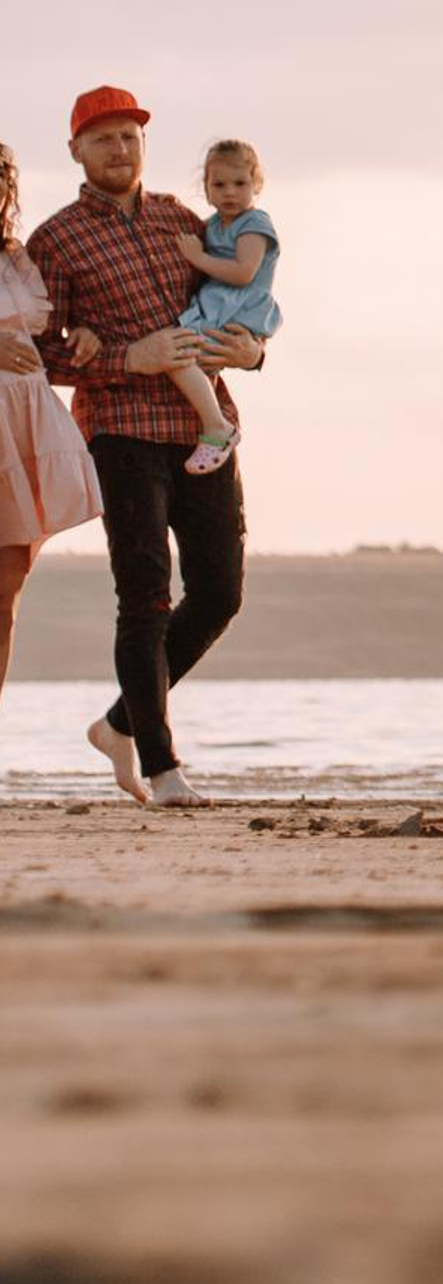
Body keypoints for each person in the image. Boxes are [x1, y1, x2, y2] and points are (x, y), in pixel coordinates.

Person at [26, 88, 269, 809]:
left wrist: (254, 353)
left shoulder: (182, 220)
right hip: (121, 432)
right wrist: (128, 358)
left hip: (204, 430)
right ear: (75, 149)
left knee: (220, 594)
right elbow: (39, 355)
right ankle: (163, 769)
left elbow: (236, 302)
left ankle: (117, 725)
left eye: (129, 136)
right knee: (145, 599)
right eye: (103, 139)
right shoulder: (57, 240)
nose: (119, 150)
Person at [71, 138, 282, 479]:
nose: (230, 192)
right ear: (207, 189)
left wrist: (199, 258)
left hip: (237, 310)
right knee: (188, 357)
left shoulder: (254, 224)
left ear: (256, 184)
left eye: (240, 183)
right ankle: (212, 426)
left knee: (176, 354)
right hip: (212, 309)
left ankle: (217, 427)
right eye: (219, 184)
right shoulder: (210, 225)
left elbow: (244, 273)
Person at [0, 140, 107, 718]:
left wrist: (82, 339)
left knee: (6, 595)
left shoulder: (15, 256)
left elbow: (43, 339)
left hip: (24, 424)